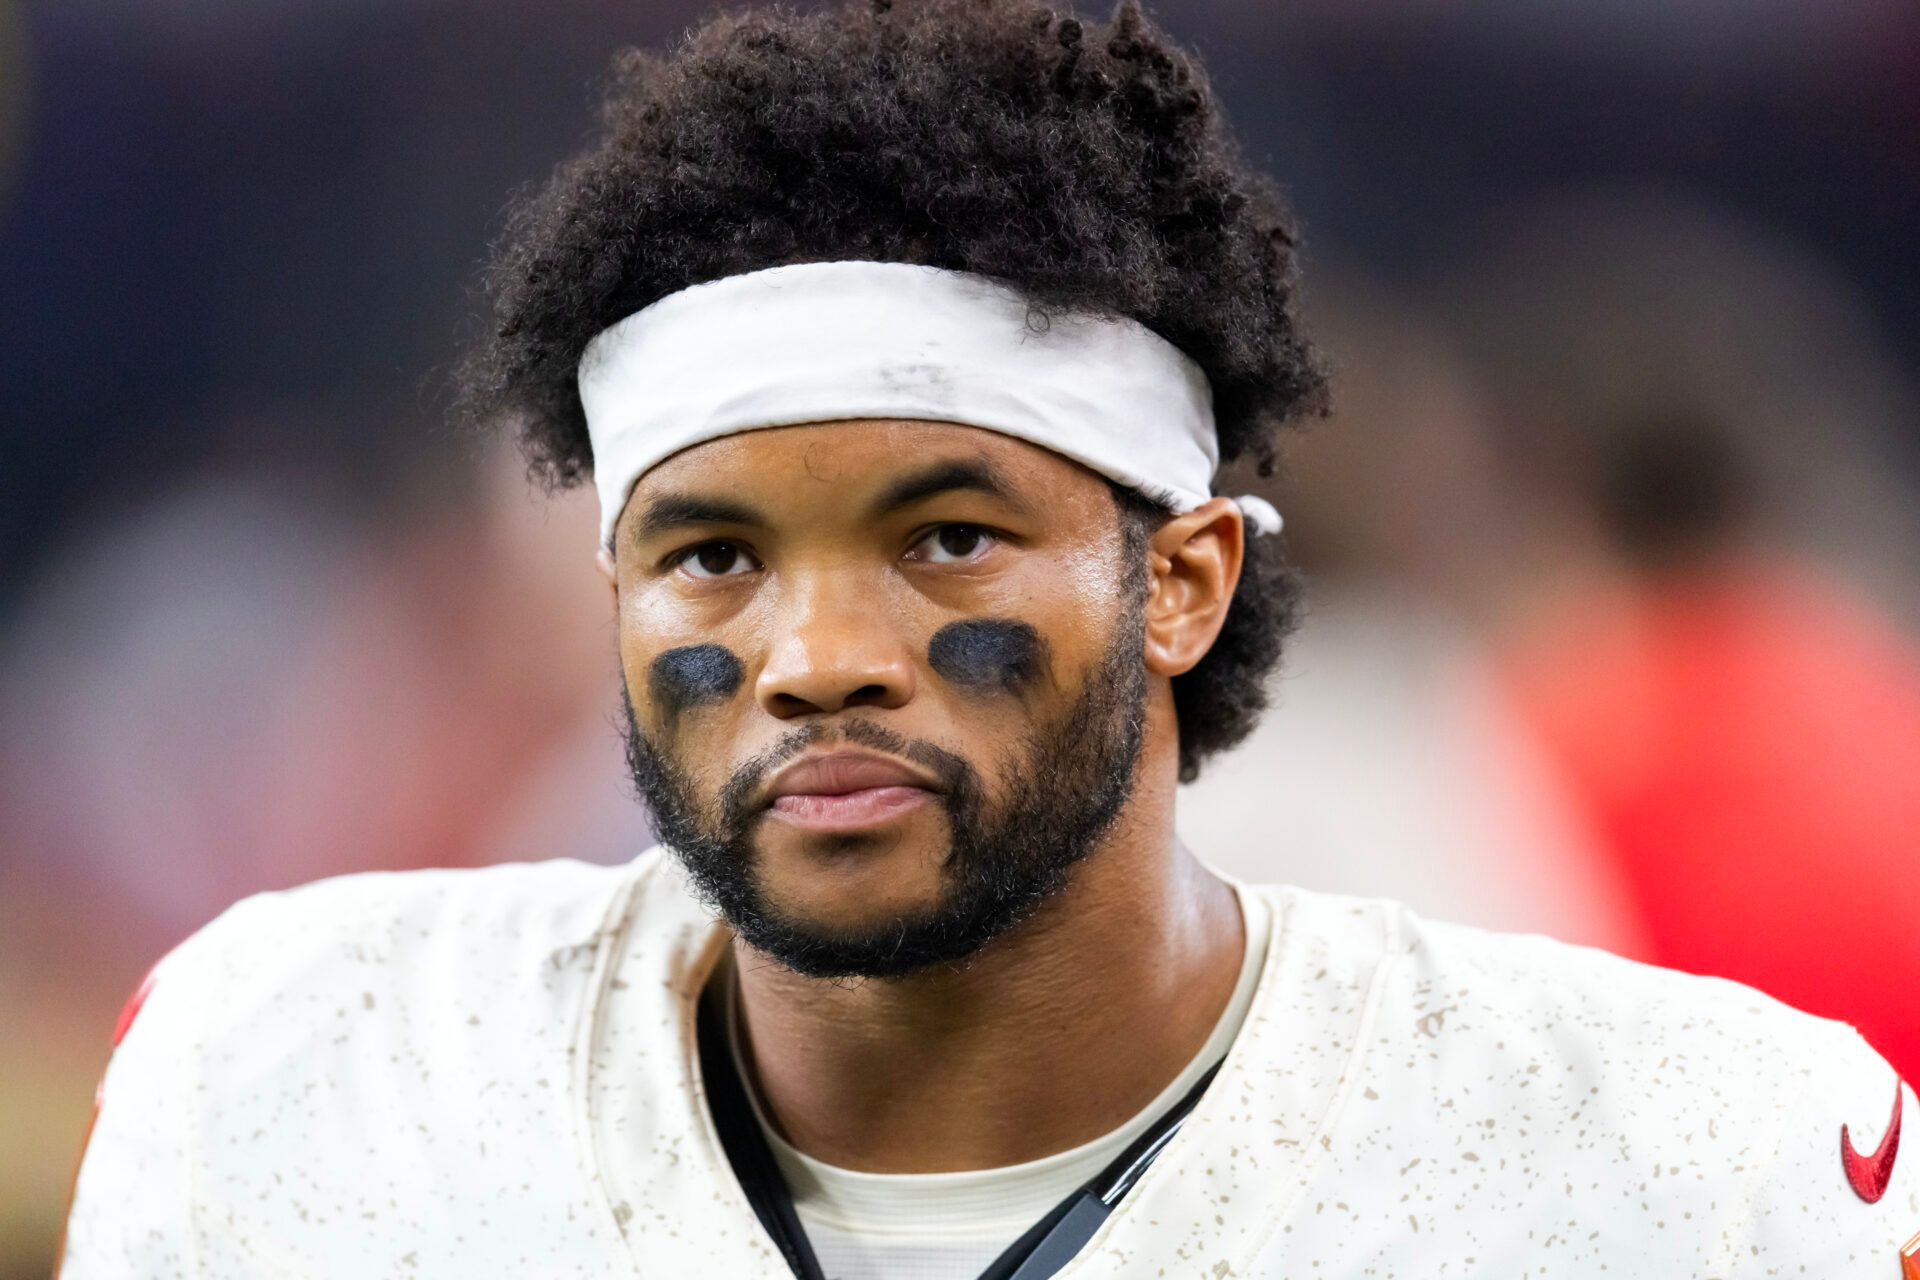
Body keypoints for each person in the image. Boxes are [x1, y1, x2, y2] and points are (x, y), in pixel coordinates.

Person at [61, 3, 1917, 1277]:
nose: (816, 655)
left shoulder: (1679, 1158)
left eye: (945, 538)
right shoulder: (306, 1072)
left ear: (1181, 580)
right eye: (710, 557)